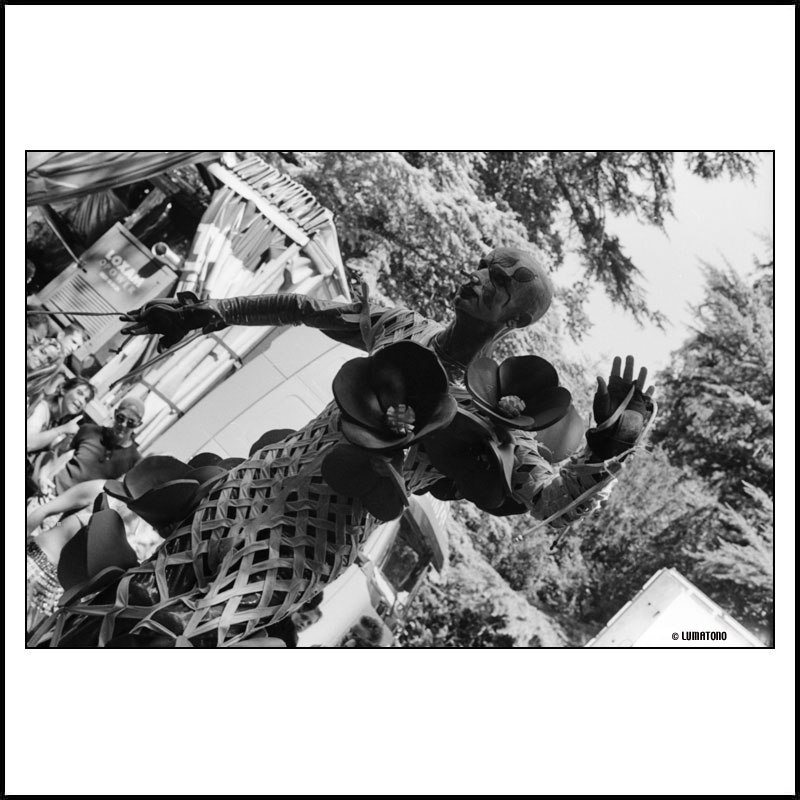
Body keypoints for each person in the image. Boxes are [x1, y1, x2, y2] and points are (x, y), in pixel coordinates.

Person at [32, 248, 655, 648]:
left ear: (514, 319)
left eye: (499, 283)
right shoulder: (401, 326)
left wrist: (608, 447)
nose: (479, 278)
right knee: (131, 598)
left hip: (309, 541)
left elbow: (546, 502)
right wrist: (209, 313)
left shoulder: (496, 418)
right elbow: (303, 308)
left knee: (177, 639)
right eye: (483, 266)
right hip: (251, 488)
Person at [35, 396, 144, 501]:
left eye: (130, 422)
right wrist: (43, 477)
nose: (123, 424)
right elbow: (57, 453)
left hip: (76, 510)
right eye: (121, 418)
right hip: (49, 494)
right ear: (115, 413)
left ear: (138, 424)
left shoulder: (134, 460)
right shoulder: (89, 431)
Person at [26, 377, 96, 500]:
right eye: (79, 393)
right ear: (63, 390)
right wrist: (61, 429)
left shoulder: (56, 421)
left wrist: (43, 477)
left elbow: (50, 455)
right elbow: (28, 443)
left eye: (86, 400)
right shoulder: (42, 408)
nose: (82, 401)